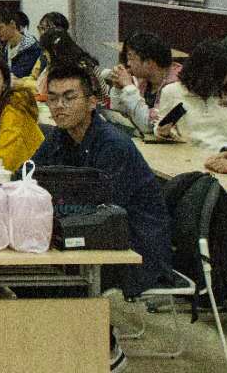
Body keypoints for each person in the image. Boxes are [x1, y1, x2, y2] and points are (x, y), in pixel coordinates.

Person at [31, 60, 174, 344]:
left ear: (92, 102)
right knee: (24, 271)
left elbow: (102, 210)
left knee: (40, 277)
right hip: (88, 234)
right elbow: (27, 176)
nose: (59, 106)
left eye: (69, 97)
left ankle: (103, 348)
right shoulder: (60, 136)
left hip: (132, 246)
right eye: (53, 98)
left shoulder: (113, 145)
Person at [152, 40, 227, 151]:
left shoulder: (226, 91)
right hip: (193, 154)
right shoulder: (172, 92)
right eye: (225, 74)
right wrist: (165, 132)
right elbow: (161, 127)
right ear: (207, 73)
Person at [104, 31, 182, 136]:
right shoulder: (144, 80)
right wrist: (118, 89)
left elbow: (149, 126)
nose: (128, 63)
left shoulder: (175, 86)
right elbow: (122, 119)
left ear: (149, 62)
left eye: (131, 58)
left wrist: (128, 87)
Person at [0, 8, 41, 79]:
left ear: (12, 24)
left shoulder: (32, 48)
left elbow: (20, 74)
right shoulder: (5, 48)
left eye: (0, 28)